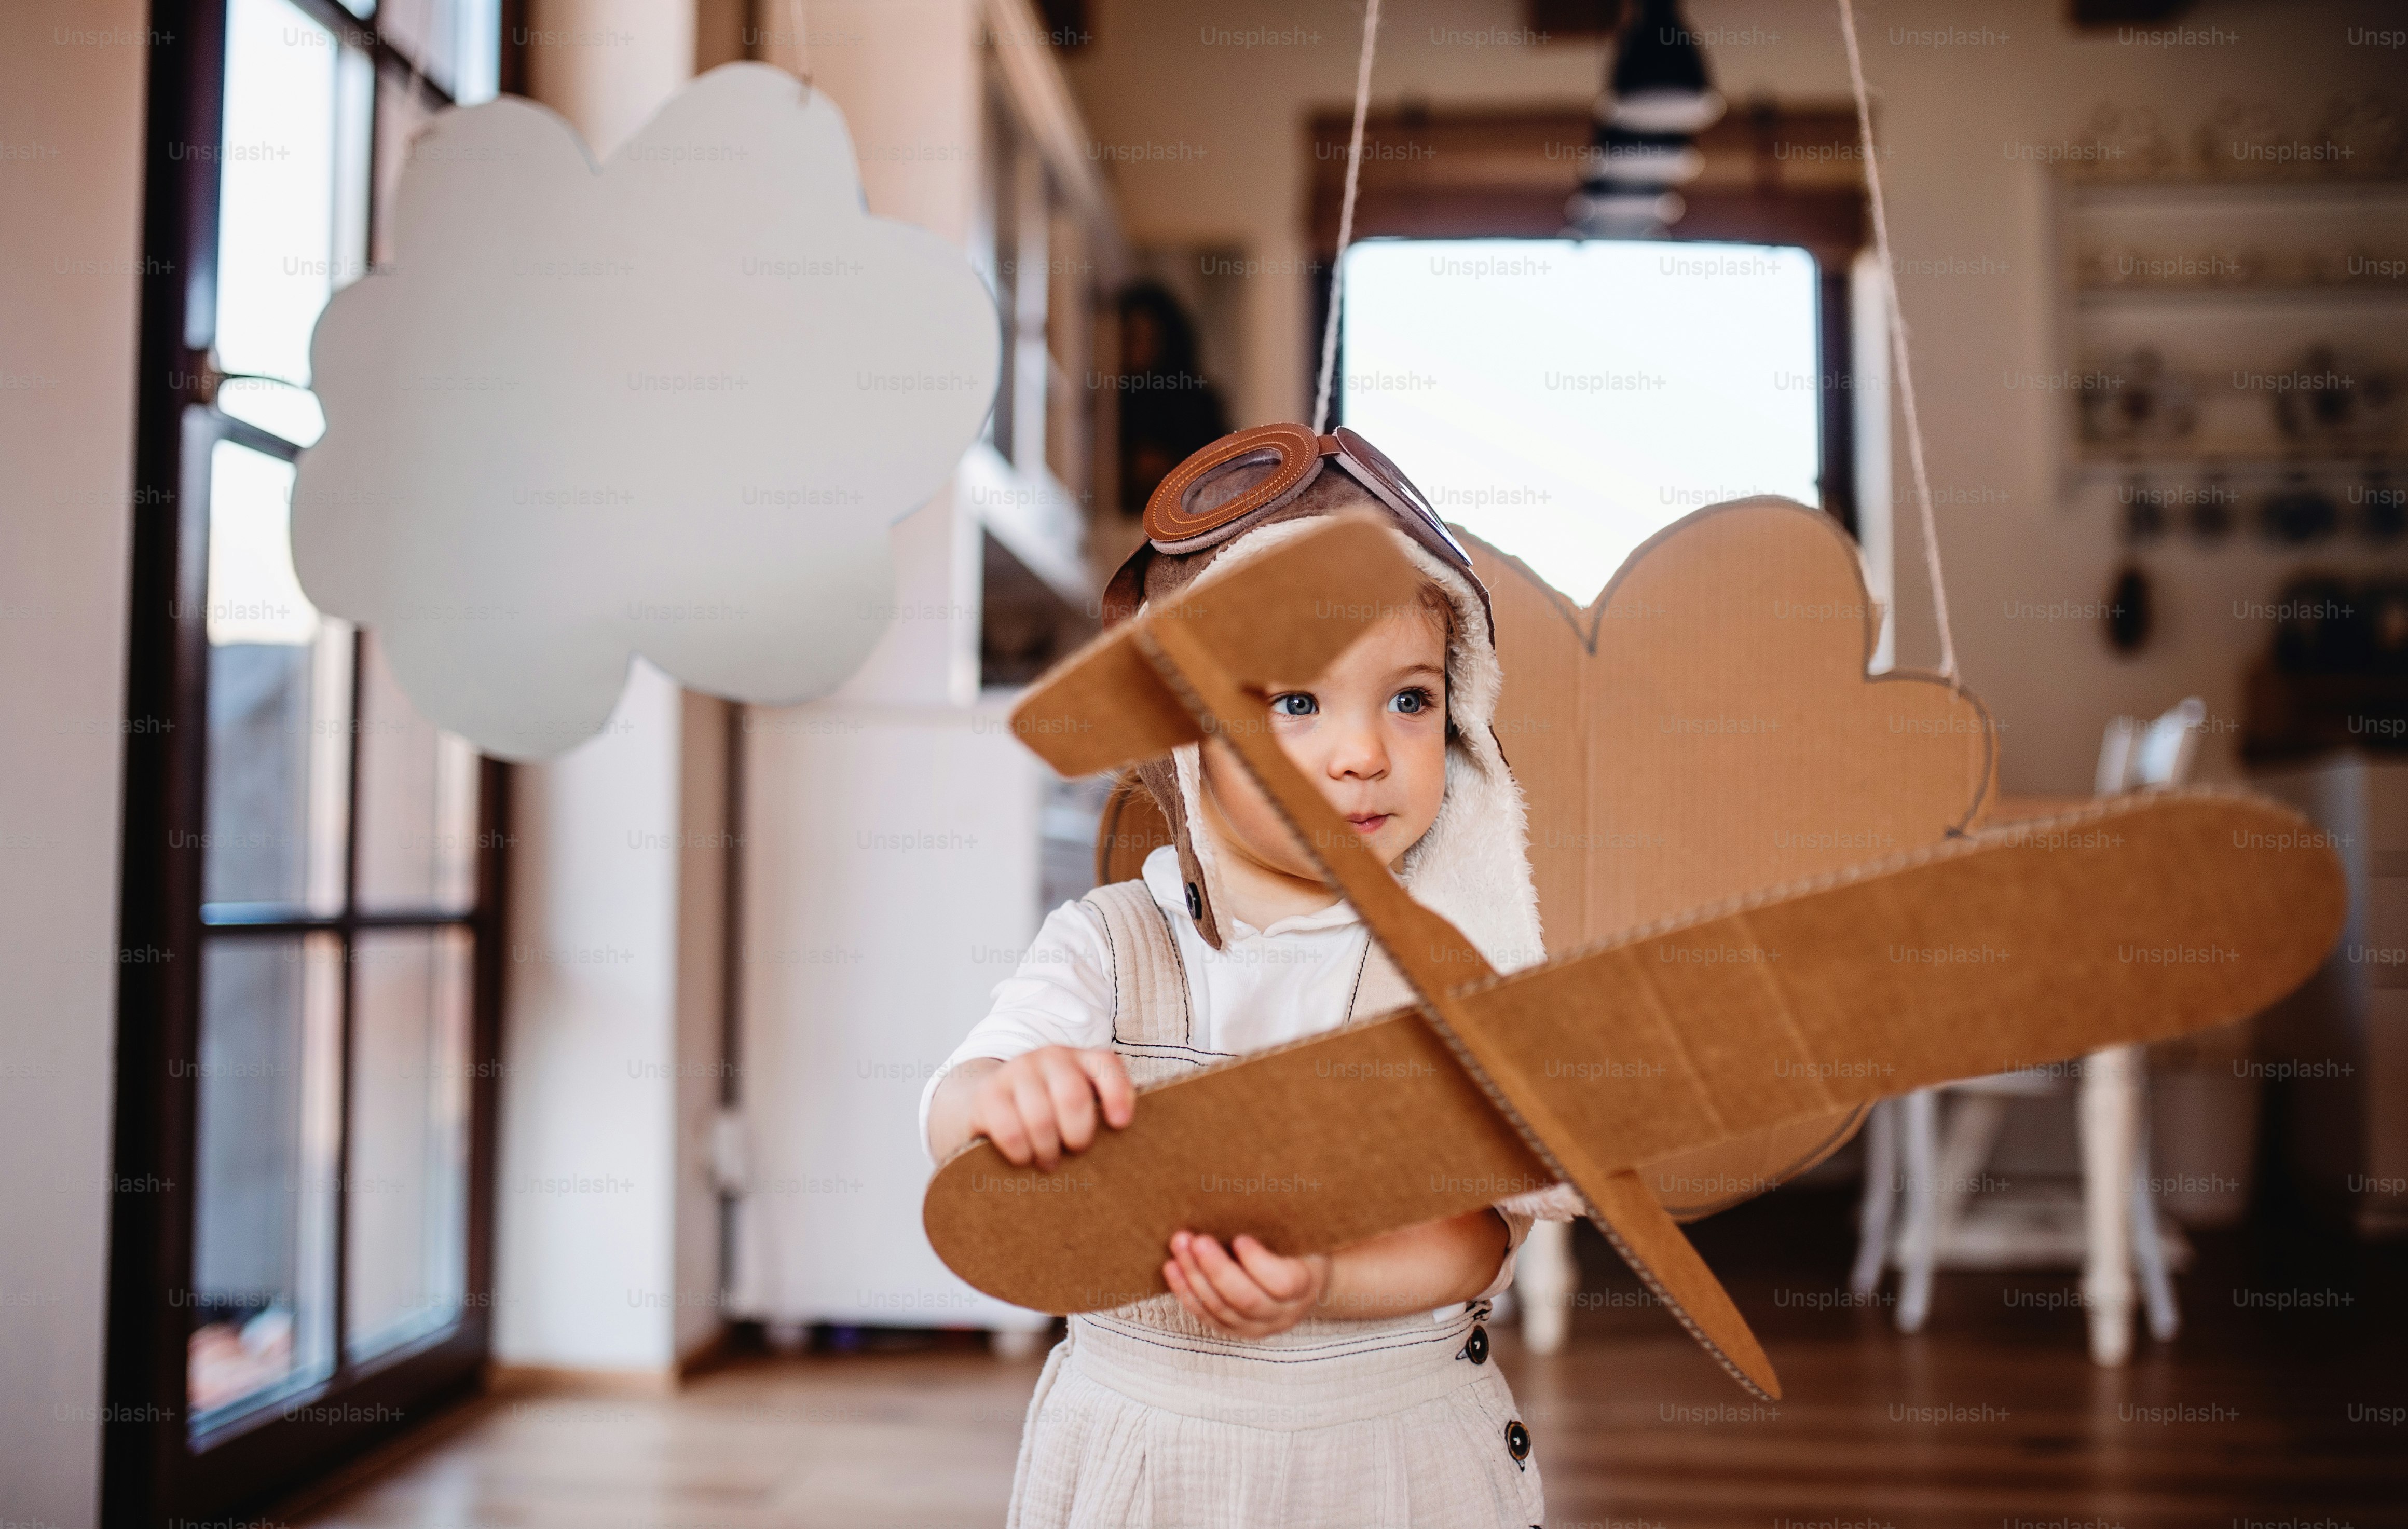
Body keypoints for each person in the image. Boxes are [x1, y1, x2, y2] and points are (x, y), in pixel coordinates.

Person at [921, 422, 1576, 1527]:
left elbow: (1482, 1231)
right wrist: (1005, 1099)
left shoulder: (1457, 966)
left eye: (1409, 699)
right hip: (1144, 1450)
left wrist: (1326, 1278)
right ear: (1189, 735)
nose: (1363, 752)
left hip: (1396, 1449)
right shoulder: (1111, 944)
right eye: (1297, 703)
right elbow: (957, 1110)